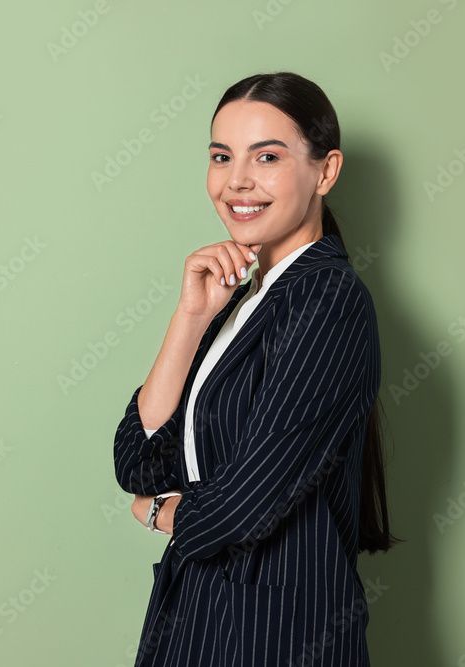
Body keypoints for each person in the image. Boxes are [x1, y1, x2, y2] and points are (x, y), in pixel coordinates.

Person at [113, 71, 400, 667]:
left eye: (267, 156)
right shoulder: (245, 301)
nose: (236, 181)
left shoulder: (328, 301)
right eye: (222, 156)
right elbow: (138, 460)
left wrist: (162, 512)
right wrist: (190, 317)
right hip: (199, 621)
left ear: (326, 170)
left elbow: (246, 503)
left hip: (277, 636)